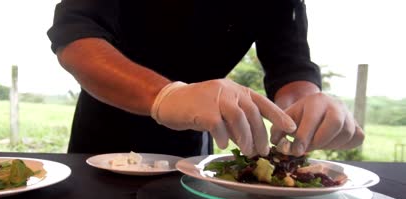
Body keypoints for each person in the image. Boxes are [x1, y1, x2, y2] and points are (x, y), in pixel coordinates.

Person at [47, 0, 364, 158]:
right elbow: (76, 36)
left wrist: (308, 110)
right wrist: (165, 96)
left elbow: (290, 66)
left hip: (194, 138)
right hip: (106, 126)